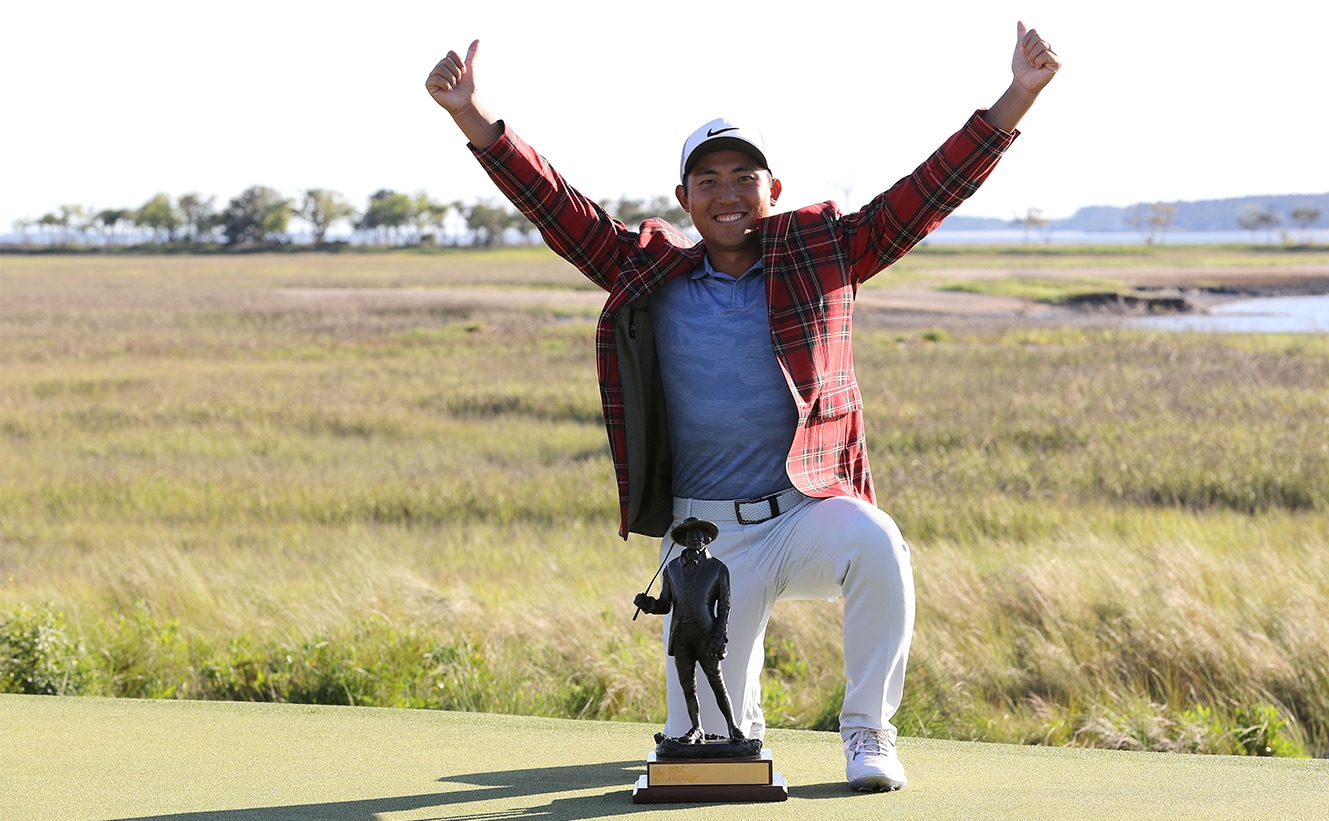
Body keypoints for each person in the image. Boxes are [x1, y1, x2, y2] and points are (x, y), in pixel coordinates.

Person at [426, 22, 1060, 792]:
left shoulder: (825, 252)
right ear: (684, 198)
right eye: (709, 180)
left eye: (744, 177)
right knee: (719, 744)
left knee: (879, 543)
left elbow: (926, 194)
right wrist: (471, 114)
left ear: (773, 189)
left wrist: (1018, 95)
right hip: (704, 540)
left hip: (804, 513)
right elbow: (558, 209)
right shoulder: (649, 269)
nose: (727, 194)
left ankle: (868, 731)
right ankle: (736, 730)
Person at [633, 518, 744, 746]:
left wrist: (719, 636)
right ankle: (696, 728)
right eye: (690, 535)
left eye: (699, 535)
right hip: (681, 636)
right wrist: (648, 604)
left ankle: (733, 727)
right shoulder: (671, 568)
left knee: (717, 683)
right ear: (683, 540)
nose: (695, 539)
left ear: (707, 539)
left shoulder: (717, 568)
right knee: (687, 686)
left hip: (707, 636)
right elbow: (665, 604)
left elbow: (725, 606)